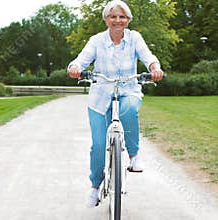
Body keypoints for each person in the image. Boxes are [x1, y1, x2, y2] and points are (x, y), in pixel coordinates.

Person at [67, 0, 164, 207]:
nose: (117, 20)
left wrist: (155, 67)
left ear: (128, 20)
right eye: (113, 16)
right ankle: (95, 186)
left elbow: (149, 57)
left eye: (122, 17)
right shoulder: (96, 40)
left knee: (129, 109)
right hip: (100, 95)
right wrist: (75, 67)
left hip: (128, 89)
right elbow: (81, 60)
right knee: (99, 145)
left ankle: (134, 156)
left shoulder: (135, 38)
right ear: (106, 20)